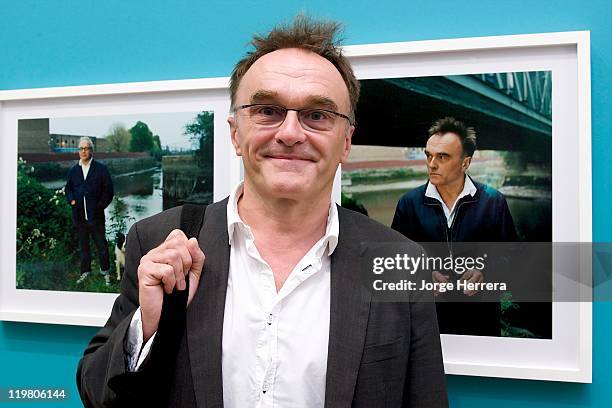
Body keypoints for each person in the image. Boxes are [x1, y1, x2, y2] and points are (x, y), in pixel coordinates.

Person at [77, 16, 448, 407]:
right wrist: (148, 326)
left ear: (346, 142)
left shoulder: (401, 263)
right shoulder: (160, 241)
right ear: (236, 133)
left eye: (317, 115)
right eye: (268, 111)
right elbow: (95, 393)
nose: (290, 133)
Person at [391, 117, 518, 336]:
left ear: (465, 163)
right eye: (429, 155)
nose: (432, 164)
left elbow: (514, 254)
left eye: (442, 157)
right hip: (424, 323)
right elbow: (393, 259)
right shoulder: (409, 204)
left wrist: (486, 271)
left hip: (481, 321)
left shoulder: (492, 201)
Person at [65, 137, 114, 286]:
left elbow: (109, 191)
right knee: (84, 247)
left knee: (102, 247)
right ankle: (85, 272)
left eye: (86, 148)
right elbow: (68, 188)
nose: (83, 151)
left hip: (96, 216)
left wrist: (99, 206)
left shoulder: (101, 169)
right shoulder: (74, 170)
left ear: (91, 150)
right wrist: (71, 200)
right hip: (79, 217)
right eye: (81, 148)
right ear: (78, 151)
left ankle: (105, 272)